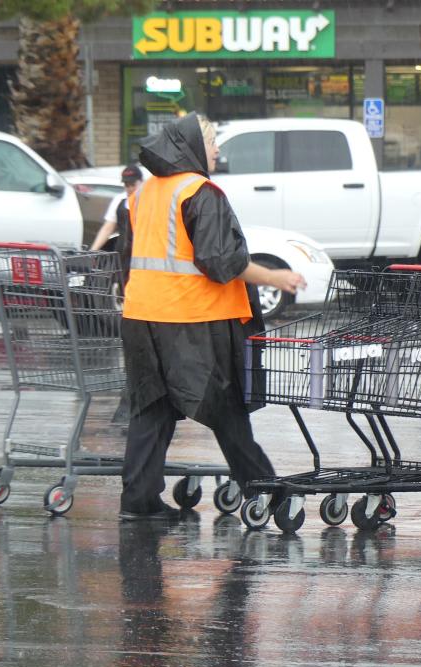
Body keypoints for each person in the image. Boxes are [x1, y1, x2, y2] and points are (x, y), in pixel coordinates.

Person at [118, 113, 305, 521]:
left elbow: (127, 257)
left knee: (153, 406)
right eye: (212, 141)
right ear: (191, 146)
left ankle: (139, 500)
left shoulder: (143, 194)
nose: (218, 150)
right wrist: (276, 276)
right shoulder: (200, 193)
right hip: (192, 319)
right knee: (223, 405)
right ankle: (266, 491)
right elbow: (221, 263)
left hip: (141, 316)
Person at [89, 164, 144, 252]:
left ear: (141, 182)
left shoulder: (149, 200)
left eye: (133, 184)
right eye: (126, 185)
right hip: (122, 253)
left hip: (143, 251)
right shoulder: (119, 199)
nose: (129, 188)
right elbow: (108, 228)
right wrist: (93, 250)